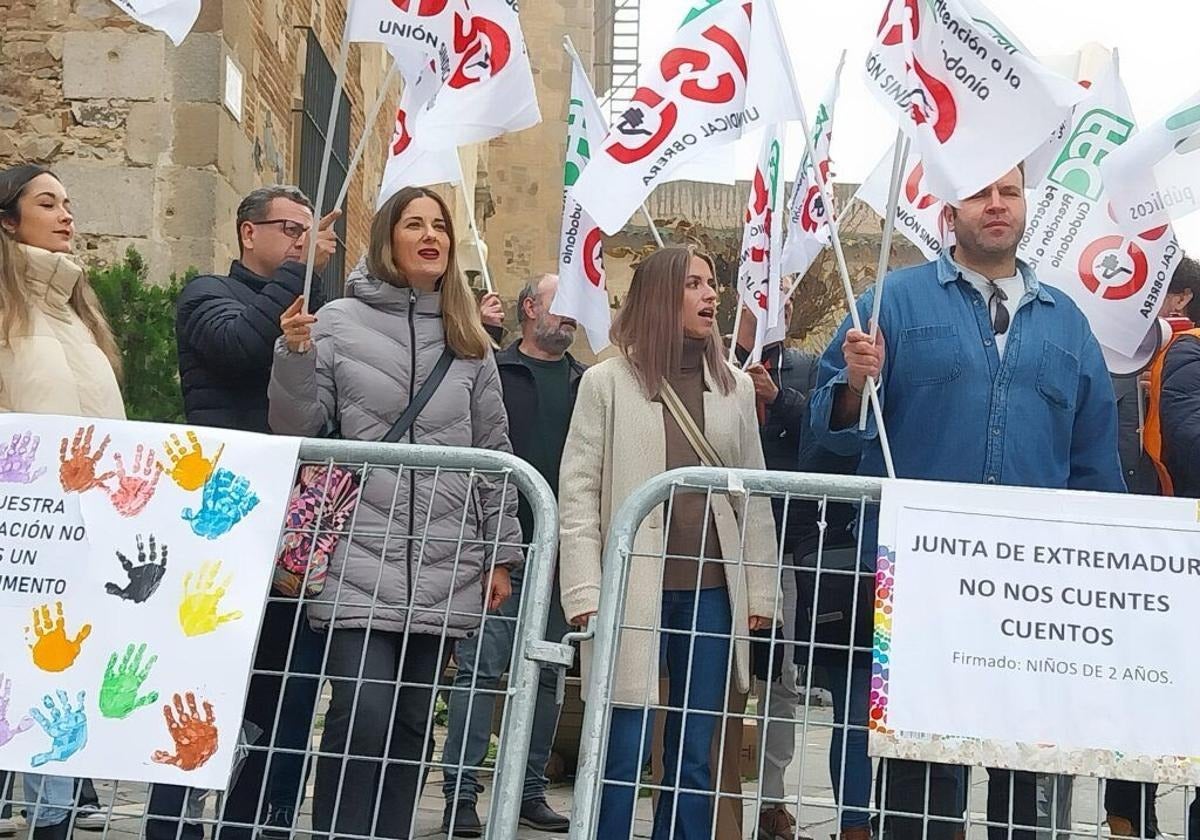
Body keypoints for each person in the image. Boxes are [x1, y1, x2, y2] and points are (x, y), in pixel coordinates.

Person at [810, 165, 1125, 840]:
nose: (997, 205)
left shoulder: (1068, 324)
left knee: (1029, 771)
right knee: (921, 778)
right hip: (920, 587)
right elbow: (826, 441)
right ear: (947, 209)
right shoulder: (888, 304)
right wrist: (850, 388)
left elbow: (1096, 462)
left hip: (1036, 594)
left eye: (1009, 192)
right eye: (981, 192)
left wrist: (1107, 569)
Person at [269, 185, 523, 840]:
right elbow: (297, 426)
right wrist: (294, 354)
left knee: (412, 720)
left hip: (447, 560)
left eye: (439, 225)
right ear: (389, 239)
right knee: (363, 709)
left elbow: (495, 453)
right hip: (357, 551)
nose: (429, 234)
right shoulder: (339, 322)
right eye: (414, 224)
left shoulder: (470, 341)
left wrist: (503, 553)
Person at [558, 246, 780, 840]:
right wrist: (583, 587)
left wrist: (760, 588)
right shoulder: (606, 382)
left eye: (713, 283)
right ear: (661, 295)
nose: (712, 295)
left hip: (711, 589)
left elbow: (753, 492)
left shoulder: (732, 386)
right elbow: (578, 491)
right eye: (695, 284)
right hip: (629, 586)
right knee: (621, 737)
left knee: (695, 748)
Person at [144, 186, 339, 840]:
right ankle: (172, 826)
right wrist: (298, 272)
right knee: (203, 687)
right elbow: (237, 349)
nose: (300, 244)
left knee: (281, 693)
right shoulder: (206, 294)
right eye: (289, 230)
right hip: (221, 530)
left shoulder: (312, 309)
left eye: (308, 236)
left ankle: (255, 825)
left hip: (293, 529)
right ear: (247, 232)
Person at [0, 164, 125, 840]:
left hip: (81, 537)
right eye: (47, 203)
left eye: (69, 203)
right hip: (15, 537)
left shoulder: (82, 315)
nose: (67, 215)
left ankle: (56, 813)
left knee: (59, 673)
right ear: (9, 220)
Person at [441, 274, 582, 837]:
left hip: (560, 556)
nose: (570, 316)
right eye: (559, 305)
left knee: (547, 677)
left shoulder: (585, 384)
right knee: (480, 672)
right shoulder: (491, 372)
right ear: (529, 309)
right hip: (495, 552)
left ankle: (527, 791)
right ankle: (459, 795)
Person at [1115, 255, 1200, 839]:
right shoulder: (1190, 352)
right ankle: (1130, 821)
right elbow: (1183, 443)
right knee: (1147, 702)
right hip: (1174, 551)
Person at [732, 287, 820, 840]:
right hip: (717, 545)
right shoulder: (710, 360)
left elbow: (826, 433)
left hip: (784, 548)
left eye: (781, 304)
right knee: (717, 675)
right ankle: (710, 797)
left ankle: (772, 800)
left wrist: (779, 397)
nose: (769, 313)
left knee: (780, 682)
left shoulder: (809, 369)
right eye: (757, 301)